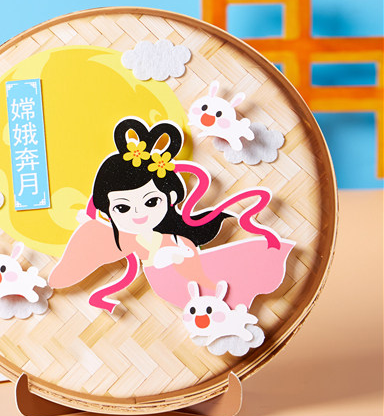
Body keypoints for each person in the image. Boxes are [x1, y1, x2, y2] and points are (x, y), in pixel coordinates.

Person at [50, 117, 294, 312]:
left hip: (196, 278)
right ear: (108, 210)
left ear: (171, 197)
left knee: (248, 264)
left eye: (151, 202)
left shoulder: (172, 236)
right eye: (122, 208)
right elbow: (80, 264)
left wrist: (185, 260)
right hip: (177, 285)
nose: (138, 213)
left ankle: (230, 301)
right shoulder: (120, 238)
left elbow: (193, 265)